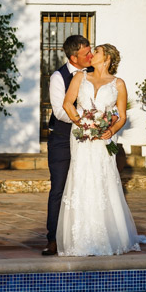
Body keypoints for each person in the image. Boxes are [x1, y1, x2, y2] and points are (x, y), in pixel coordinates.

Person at [56, 44, 146, 257]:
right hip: (81, 136)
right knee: (81, 178)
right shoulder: (80, 77)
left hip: (104, 139)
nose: (91, 55)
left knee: (102, 179)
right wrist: (82, 122)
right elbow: (67, 104)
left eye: (96, 52)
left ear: (107, 58)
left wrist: (111, 130)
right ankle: (79, 237)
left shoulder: (118, 84)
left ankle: (106, 235)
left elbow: (122, 116)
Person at [43, 35, 94, 256]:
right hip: (63, 140)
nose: (91, 56)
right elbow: (60, 111)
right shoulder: (58, 77)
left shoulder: (94, 74)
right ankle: (53, 238)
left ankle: (83, 235)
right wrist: (86, 119)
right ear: (74, 57)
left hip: (88, 140)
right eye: (86, 54)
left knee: (85, 188)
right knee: (59, 189)